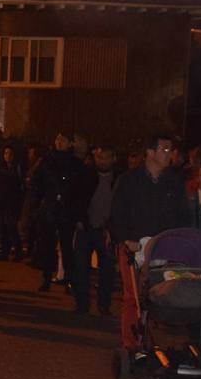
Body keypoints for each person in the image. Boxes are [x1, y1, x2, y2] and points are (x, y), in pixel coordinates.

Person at [109, 134, 188, 357]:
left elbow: (183, 216)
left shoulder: (174, 182)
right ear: (150, 152)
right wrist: (127, 239)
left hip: (163, 248)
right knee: (133, 296)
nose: (169, 154)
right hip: (134, 247)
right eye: (165, 149)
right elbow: (116, 215)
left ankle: (151, 340)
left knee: (157, 295)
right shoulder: (129, 181)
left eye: (171, 150)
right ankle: (131, 345)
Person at [30, 134, 85, 292]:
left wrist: (77, 210)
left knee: (67, 246)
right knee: (47, 245)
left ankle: (69, 280)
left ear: (70, 143)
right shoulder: (47, 161)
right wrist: (39, 204)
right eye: (57, 139)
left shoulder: (76, 164)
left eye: (63, 140)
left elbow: (80, 189)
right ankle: (46, 277)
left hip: (67, 210)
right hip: (49, 208)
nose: (59, 143)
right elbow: (37, 183)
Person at [71, 146, 118, 316]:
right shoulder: (85, 175)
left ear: (113, 158)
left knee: (107, 270)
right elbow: (75, 198)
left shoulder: (119, 179)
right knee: (81, 268)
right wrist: (78, 219)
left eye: (106, 157)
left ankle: (104, 304)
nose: (102, 161)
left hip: (106, 230)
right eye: (99, 157)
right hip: (86, 227)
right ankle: (82, 304)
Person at [0, 145, 25, 262]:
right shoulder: (0, 168)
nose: (7, 156)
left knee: (12, 227)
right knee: (3, 228)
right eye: (6, 153)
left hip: (13, 202)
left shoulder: (17, 167)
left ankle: (18, 252)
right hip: (2, 201)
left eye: (10, 154)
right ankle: (4, 252)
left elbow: (20, 186)